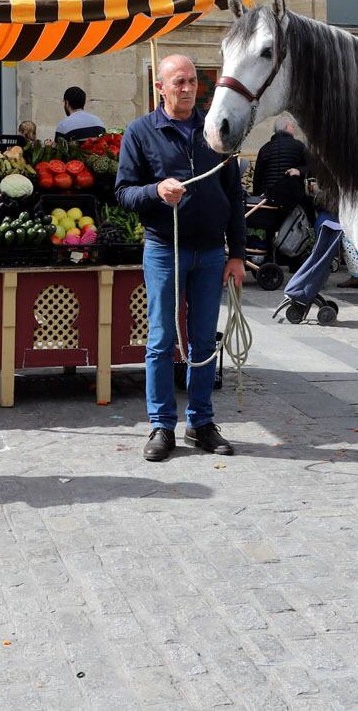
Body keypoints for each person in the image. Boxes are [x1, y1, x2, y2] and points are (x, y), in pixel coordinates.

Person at [114, 54, 246, 461]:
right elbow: (123, 193)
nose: (188, 88)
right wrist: (156, 191)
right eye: (179, 82)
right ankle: (161, 425)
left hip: (211, 252)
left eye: (192, 81)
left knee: (204, 341)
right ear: (160, 88)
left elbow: (235, 195)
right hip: (163, 249)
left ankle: (201, 422)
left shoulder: (215, 129)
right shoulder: (140, 132)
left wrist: (238, 254)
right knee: (161, 340)